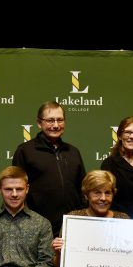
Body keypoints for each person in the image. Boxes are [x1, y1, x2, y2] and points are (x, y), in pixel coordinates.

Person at [12, 101, 86, 236]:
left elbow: (83, 190)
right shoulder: (25, 151)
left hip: (72, 228)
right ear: (39, 123)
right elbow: (16, 191)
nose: (56, 125)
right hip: (37, 228)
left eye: (60, 120)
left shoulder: (73, 152)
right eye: (50, 120)